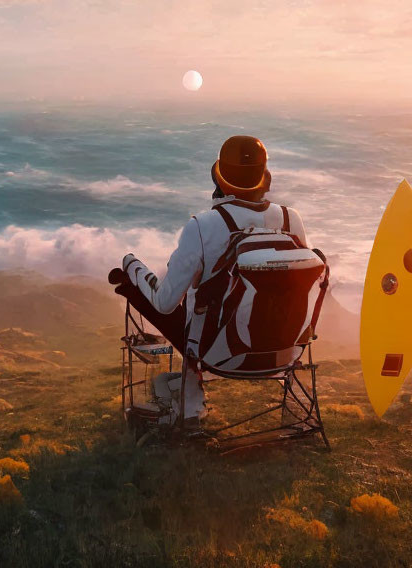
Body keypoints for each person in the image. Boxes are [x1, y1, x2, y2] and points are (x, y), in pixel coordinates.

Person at [109, 135, 311, 424]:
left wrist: (133, 267)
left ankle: (191, 408)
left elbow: (165, 304)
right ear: (265, 178)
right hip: (287, 350)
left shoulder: (203, 227)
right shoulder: (292, 221)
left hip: (221, 354)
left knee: (175, 310)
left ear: (218, 180)